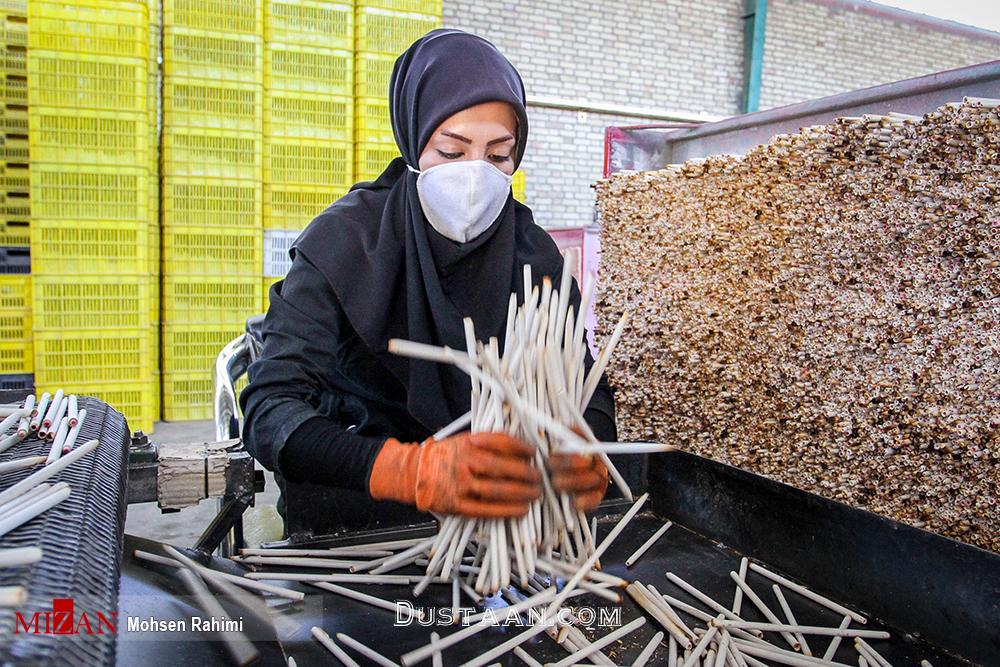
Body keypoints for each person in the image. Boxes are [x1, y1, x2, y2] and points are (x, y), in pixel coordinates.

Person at [240, 29, 617, 536]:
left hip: (501, 532)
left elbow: (584, 387)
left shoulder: (534, 257)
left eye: (499, 156)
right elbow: (270, 411)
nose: (474, 177)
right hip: (354, 529)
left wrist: (586, 445)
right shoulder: (345, 241)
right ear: (414, 139)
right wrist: (408, 470)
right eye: (451, 151)